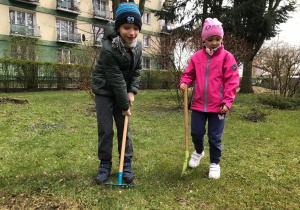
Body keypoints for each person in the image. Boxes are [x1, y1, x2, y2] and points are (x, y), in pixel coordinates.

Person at [179, 18, 239, 179]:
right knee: (196, 133)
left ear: (222, 39)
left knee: (215, 136)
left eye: (217, 39)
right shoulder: (197, 57)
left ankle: (214, 163)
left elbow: (232, 81)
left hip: (219, 106)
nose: (214, 42)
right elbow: (189, 74)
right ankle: (199, 151)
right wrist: (185, 82)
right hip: (198, 104)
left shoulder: (227, 57)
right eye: (210, 39)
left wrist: (227, 101)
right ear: (203, 39)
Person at [92, 2, 142, 184]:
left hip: (123, 91)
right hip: (105, 90)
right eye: (127, 27)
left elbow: (137, 70)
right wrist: (124, 102)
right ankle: (105, 163)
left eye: (136, 28)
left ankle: (125, 162)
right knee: (105, 129)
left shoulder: (137, 46)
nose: (132, 32)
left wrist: (132, 91)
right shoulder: (108, 48)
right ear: (118, 27)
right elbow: (115, 79)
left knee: (124, 128)